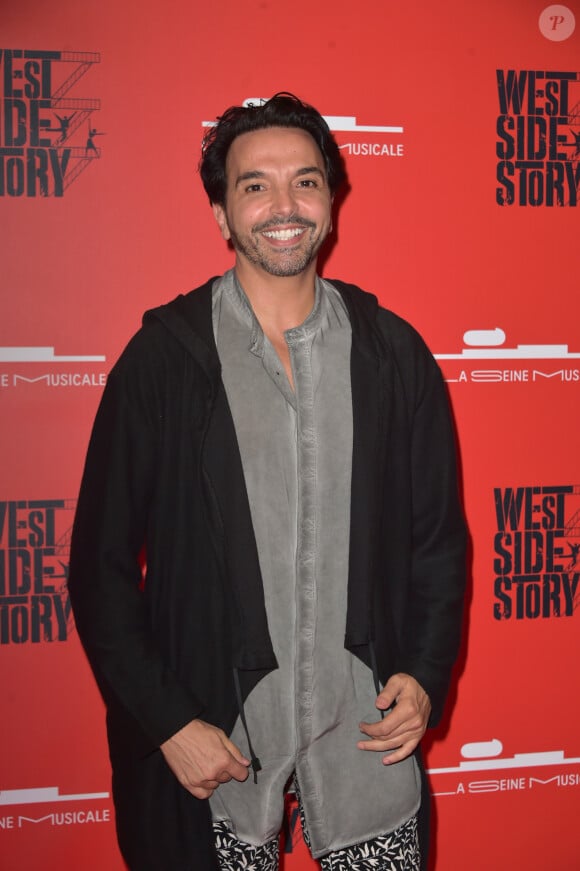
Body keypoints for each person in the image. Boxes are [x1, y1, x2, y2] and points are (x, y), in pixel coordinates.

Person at [68, 92, 467, 871]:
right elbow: (98, 566)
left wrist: (422, 673)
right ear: (221, 213)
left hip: (365, 753)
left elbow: (438, 544)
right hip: (213, 760)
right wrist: (167, 722)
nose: (284, 206)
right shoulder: (164, 361)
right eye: (255, 186)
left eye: (306, 181)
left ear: (332, 202)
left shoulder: (393, 355)